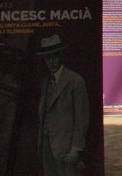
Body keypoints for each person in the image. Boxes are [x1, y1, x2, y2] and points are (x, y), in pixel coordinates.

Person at [37, 34, 89, 176]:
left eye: (54, 57)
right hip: (47, 147)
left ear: (61, 56)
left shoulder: (75, 81)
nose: (51, 62)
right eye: (47, 58)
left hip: (66, 149)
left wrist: (76, 149)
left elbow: (82, 117)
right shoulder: (45, 82)